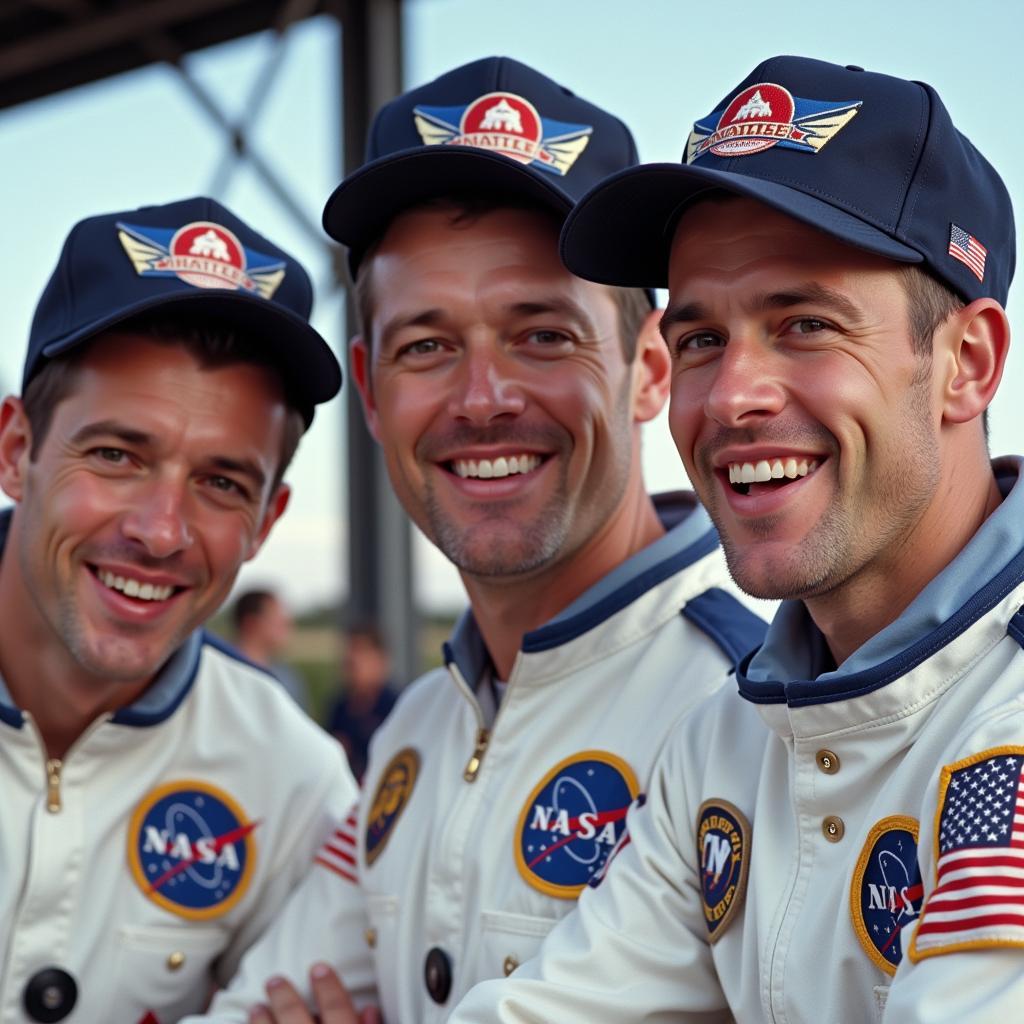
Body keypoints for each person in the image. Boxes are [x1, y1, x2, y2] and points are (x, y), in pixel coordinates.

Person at [185, 57, 766, 1024]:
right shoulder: (414, 731)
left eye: (542, 335)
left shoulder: (756, 702)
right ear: (370, 392)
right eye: (427, 345)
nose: (483, 399)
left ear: (649, 367)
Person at [447, 55, 1024, 1022]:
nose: (729, 397)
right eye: (702, 338)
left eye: (804, 323)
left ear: (966, 364)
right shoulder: (727, 735)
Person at [0, 196, 357, 1023]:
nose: (160, 532)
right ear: (18, 452)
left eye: (221, 483)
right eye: (118, 455)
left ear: (267, 521)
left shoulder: (297, 784)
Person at [327, 624, 397, 779]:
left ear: (381, 660)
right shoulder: (339, 708)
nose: (351, 658)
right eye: (349, 650)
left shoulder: (396, 707)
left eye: (361, 651)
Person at [232, 588, 311, 712]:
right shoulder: (222, 675)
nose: (288, 624)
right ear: (251, 623)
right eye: (278, 619)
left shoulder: (287, 678)